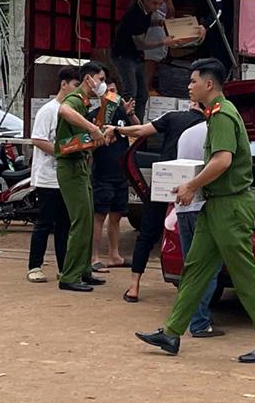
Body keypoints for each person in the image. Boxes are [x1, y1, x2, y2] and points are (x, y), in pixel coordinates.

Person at [136, 59, 255, 363]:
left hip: (229, 207)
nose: (189, 86)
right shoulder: (216, 113)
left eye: (193, 81)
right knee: (195, 269)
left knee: (245, 274)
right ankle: (172, 332)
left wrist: (191, 186)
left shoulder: (221, 115)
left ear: (208, 84)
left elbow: (222, 161)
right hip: (216, 205)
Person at [117, 100, 207, 303]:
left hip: (164, 184)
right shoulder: (210, 125)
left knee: (147, 236)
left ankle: (134, 286)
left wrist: (116, 129)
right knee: (190, 239)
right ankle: (189, 290)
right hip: (193, 188)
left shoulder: (172, 117)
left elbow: (140, 131)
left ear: (191, 103)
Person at [54, 61, 115, 292]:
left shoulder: (87, 102)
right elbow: (64, 111)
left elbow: (83, 142)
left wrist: (100, 138)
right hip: (70, 168)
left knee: (88, 221)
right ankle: (69, 276)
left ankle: (83, 271)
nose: (103, 85)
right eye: (100, 79)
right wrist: (93, 129)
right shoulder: (75, 100)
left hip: (80, 164)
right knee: (80, 222)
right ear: (89, 79)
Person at [172, 116, 224, 338]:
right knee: (209, 269)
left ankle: (191, 319)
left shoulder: (187, 134)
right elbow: (222, 166)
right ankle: (200, 322)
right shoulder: (218, 133)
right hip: (205, 206)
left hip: (183, 208)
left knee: (191, 267)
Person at [26, 67, 79, 283]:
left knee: (65, 225)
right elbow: (38, 140)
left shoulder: (73, 111)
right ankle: (34, 266)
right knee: (44, 222)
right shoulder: (49, 110)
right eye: (76, 85)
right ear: (64, 84)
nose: (77, 91)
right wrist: (63, 152)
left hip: (66, 178)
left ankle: (64, 267)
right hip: (48, 177)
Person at [90, 79, 140, 274]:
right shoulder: (94, 117)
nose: (112, 94)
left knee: (117, 216)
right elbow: (89, 144)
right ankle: (94, 256)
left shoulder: (121, 114)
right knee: (99, 216)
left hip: (121, 173)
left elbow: (138, 128)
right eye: (108, 91)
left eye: (114, 91)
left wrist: (130, 112)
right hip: (102, 174)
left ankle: (114, 255)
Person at [112, 0, 176, 123]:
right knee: (131, 92)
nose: (157, 7)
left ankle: (138, 124)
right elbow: (141, 44)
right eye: (154, 3)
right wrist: (163, 42)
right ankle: (126, 126)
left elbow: (148, 22)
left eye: (160, 4)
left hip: (136, 57)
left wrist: (158, 22)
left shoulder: (147, 11)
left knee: (143, 93)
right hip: (124, 56)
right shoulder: (135, 15)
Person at [135, 0, 178, 96]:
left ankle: (145, 86)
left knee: (148, 51)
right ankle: (145, 89)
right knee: (154, 53)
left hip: (143, 7)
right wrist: (168, 2)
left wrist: (131, 9)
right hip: (157, 9)